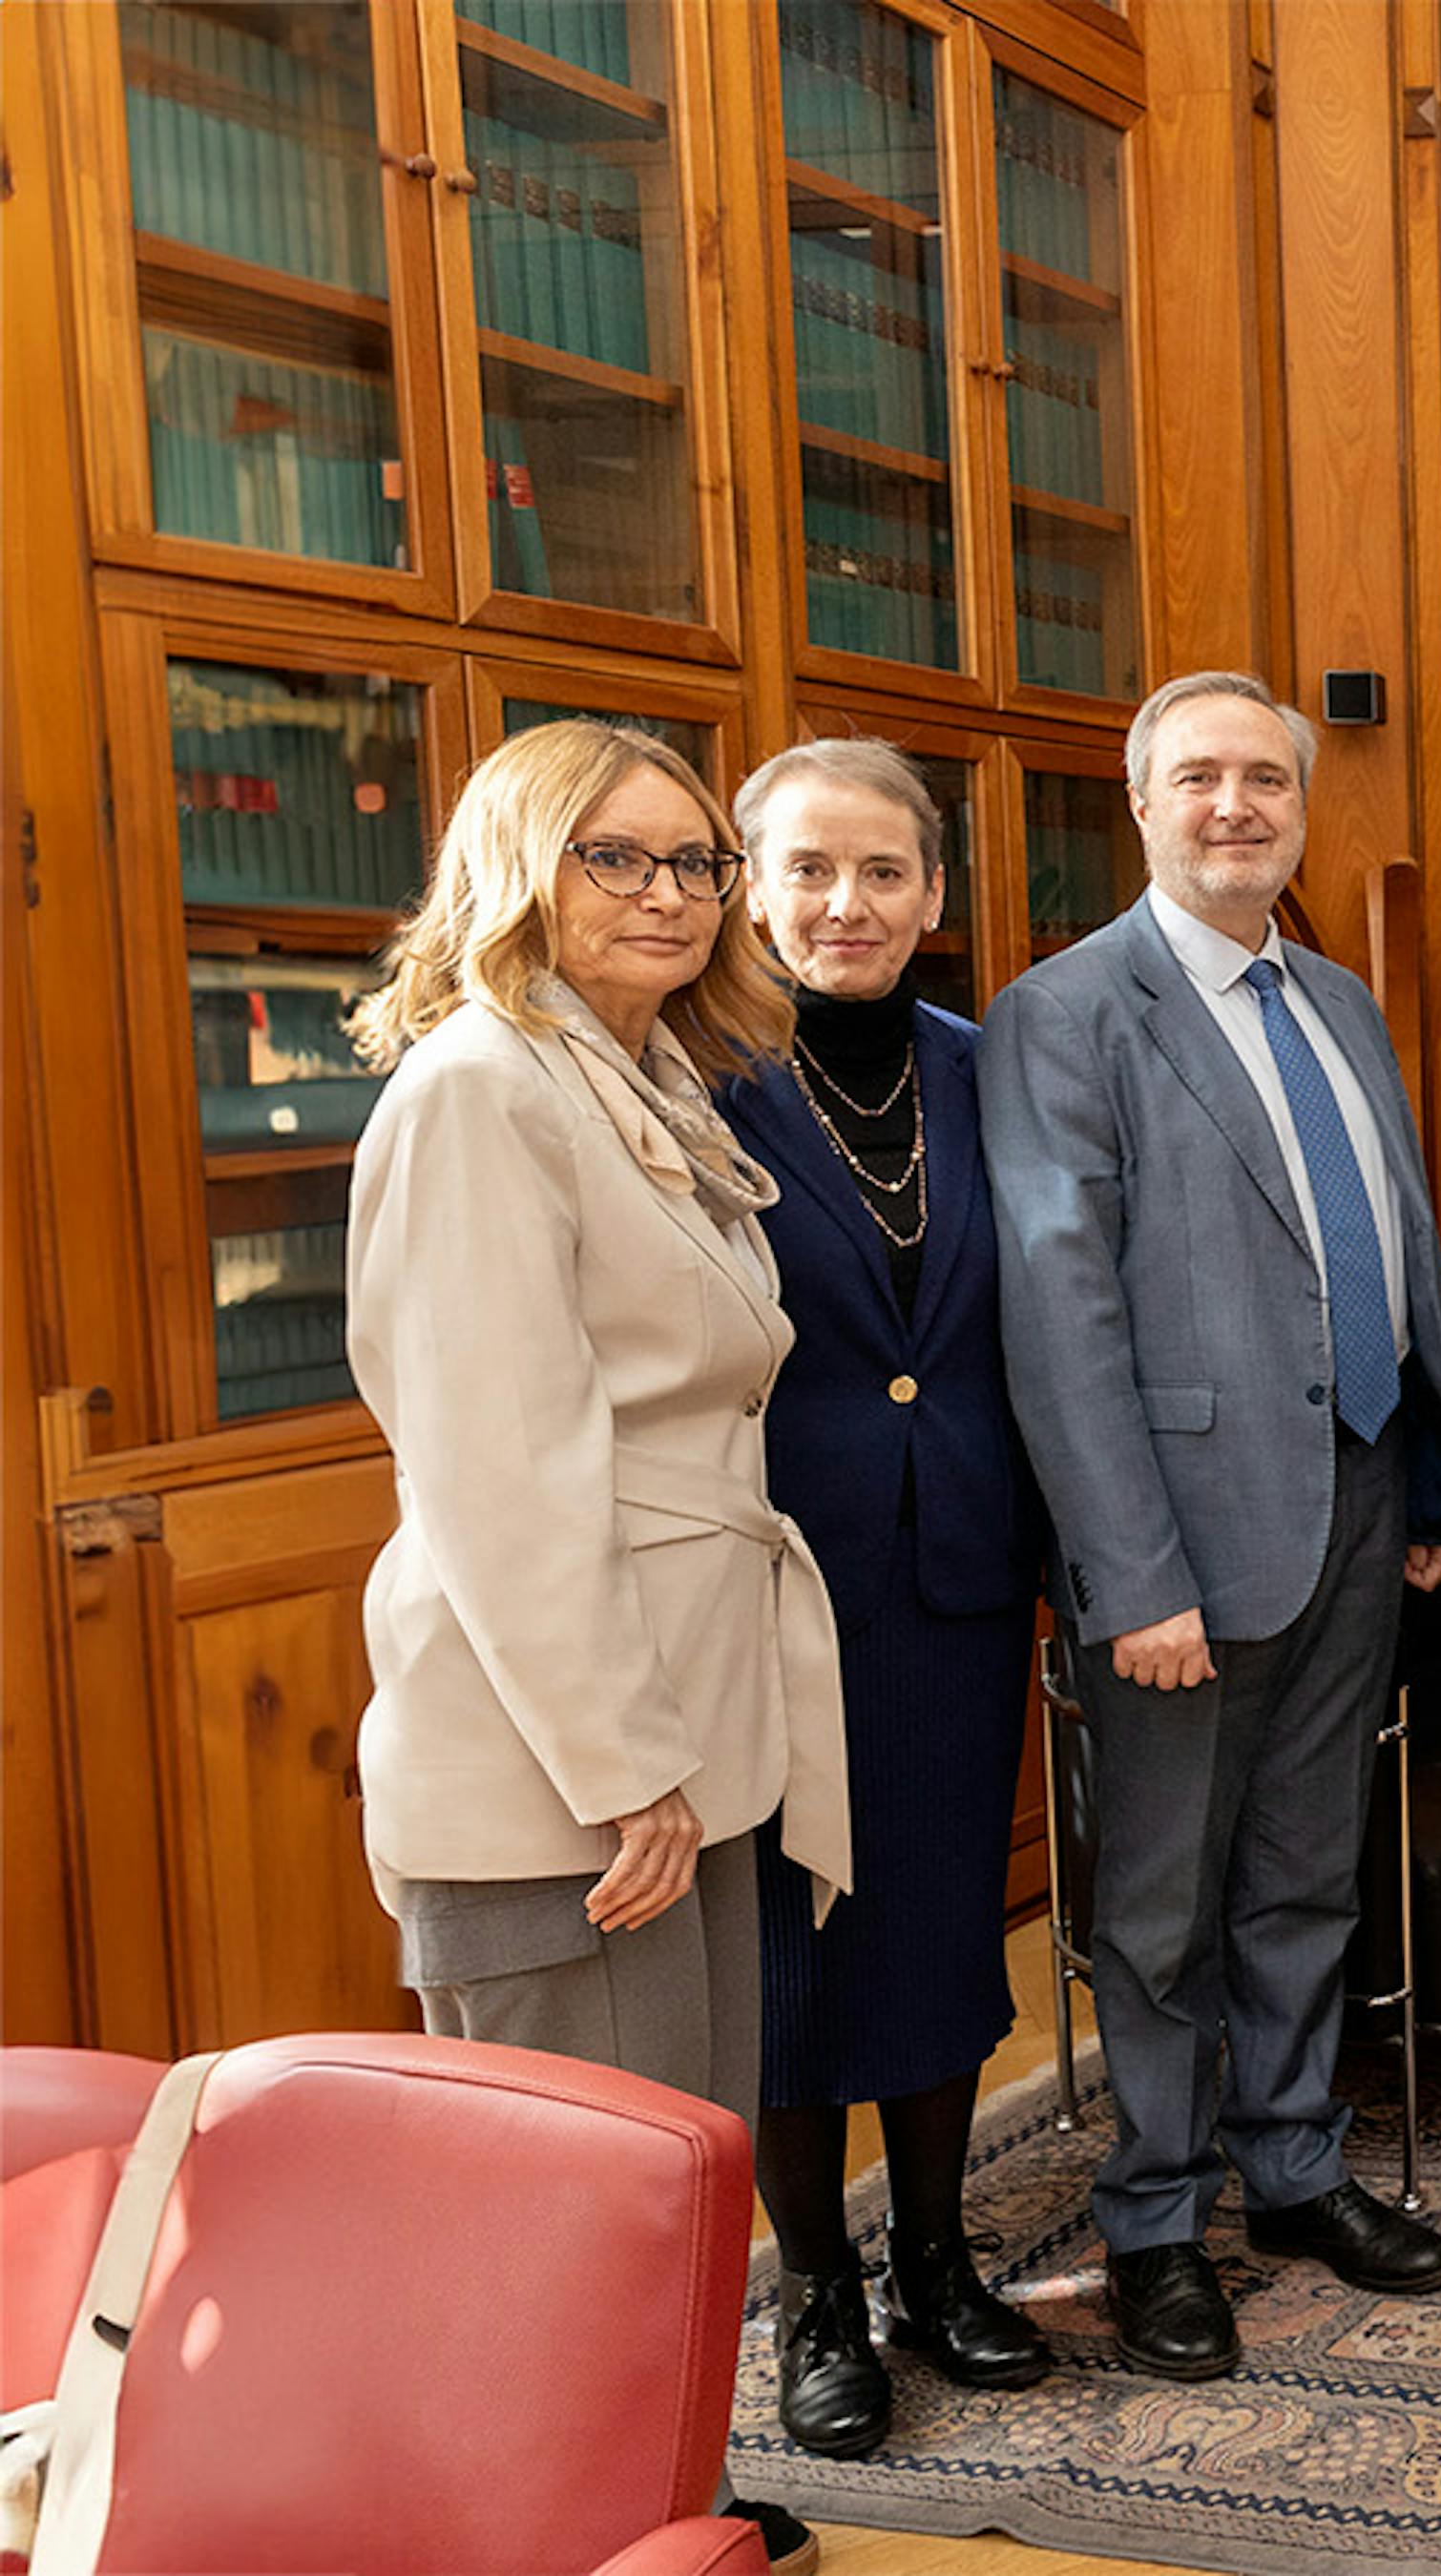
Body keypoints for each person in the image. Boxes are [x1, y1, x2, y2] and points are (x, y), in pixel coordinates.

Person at [343, 718, 850, 2573]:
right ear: (518, 869)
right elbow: (498, 1470)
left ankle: (662, 2512)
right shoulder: (482, 1087)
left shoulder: (635, 1075)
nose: (665, 894)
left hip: (677, 1718)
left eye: (695, 862)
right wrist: (618, 1755)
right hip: (565, 1755)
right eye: (613, 858)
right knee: (565, 2212)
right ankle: (558, 2535)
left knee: (679, 2175)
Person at [983, 671, 1441, 2383]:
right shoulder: (1066, 1015)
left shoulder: (1338, 1000)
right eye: (1197, 778)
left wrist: (1430, 1477)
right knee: (1157, 1906)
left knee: (1303, 1870)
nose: (1234, 807)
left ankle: (1291, 2167)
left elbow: (1399, 1247)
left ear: (1299, 804)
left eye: (1264, 780)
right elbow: (1062, 1320)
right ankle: (1152, 2219)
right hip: (1181, 1550)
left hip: (1351, 1509)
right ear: (1140, 804)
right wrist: (1130, 1575)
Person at [717, 740, 1057, 2456]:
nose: (845, 906)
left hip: (961, 1576)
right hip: (771, 1581)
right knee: (793, 1950)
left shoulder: (992, 1070)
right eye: (807, 872)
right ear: (751, 885)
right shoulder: (688, 1077)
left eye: (884, 876)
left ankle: (937, 2260)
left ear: (934, 896)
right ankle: (818, 2299)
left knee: (932, 1922)